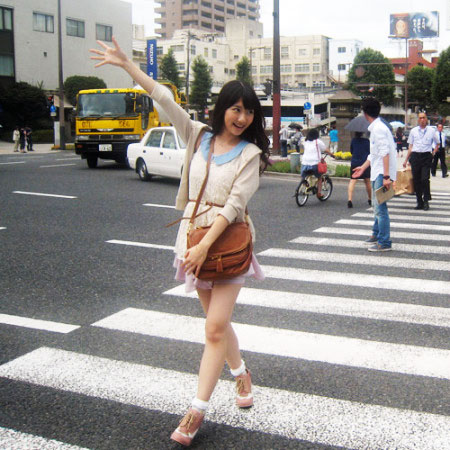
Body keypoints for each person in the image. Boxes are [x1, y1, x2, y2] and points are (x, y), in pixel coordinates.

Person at [90, 37, 270, 447]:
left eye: (248, 111)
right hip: (191, 240)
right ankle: (241, 373)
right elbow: (163, 97)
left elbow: (234, 206)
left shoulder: (250, 155)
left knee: (213, 328)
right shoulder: (197, 135)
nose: (242, 117)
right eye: (236, 108)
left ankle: (196, 411)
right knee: (217, 325)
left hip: (227, 244)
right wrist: (127, 66)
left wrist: (204, 247)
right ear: (222, 108)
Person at [352, 97, 397, 252]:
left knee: (380, 207)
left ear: (365, 113)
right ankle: (376, 234)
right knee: (376, 205)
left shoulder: (378, 129)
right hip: (377, 171)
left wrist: (386, 177)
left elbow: (385, 153)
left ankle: (384, 242)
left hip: (381, 173)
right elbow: (374, 154)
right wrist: (363, 167)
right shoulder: (377, 127)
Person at [403, 112, 438, 210]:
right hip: (415, 157)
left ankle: (426, 200)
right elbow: (410, 147)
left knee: (425, 179)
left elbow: (437, 143)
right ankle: (419, 202)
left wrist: (433, 153)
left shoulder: (432, 131)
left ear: (426, 119)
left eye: (424, 118)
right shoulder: (413, 131)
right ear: (418, 120)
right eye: (420, 118)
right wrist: (406, 160)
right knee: (416, 180)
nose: (422, 120)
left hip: (426, 156)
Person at [300, 128, 335, 199]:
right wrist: (332, 154)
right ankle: (319, 193)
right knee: (319, 177)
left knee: (304, 175)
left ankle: (304, 183)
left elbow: (311, 151)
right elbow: (325, 150)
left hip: (304, 163)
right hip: (314, 164)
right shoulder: (317, 142)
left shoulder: (305, 141)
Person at [347, 131, 371, 208]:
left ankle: (350, 200)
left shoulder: (353, 140)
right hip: (365, 163)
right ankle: (370, 199)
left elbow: (351, 151)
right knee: (367, 181)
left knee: (352, 181)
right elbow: (370, 152)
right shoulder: (367, 141)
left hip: (355, 162)